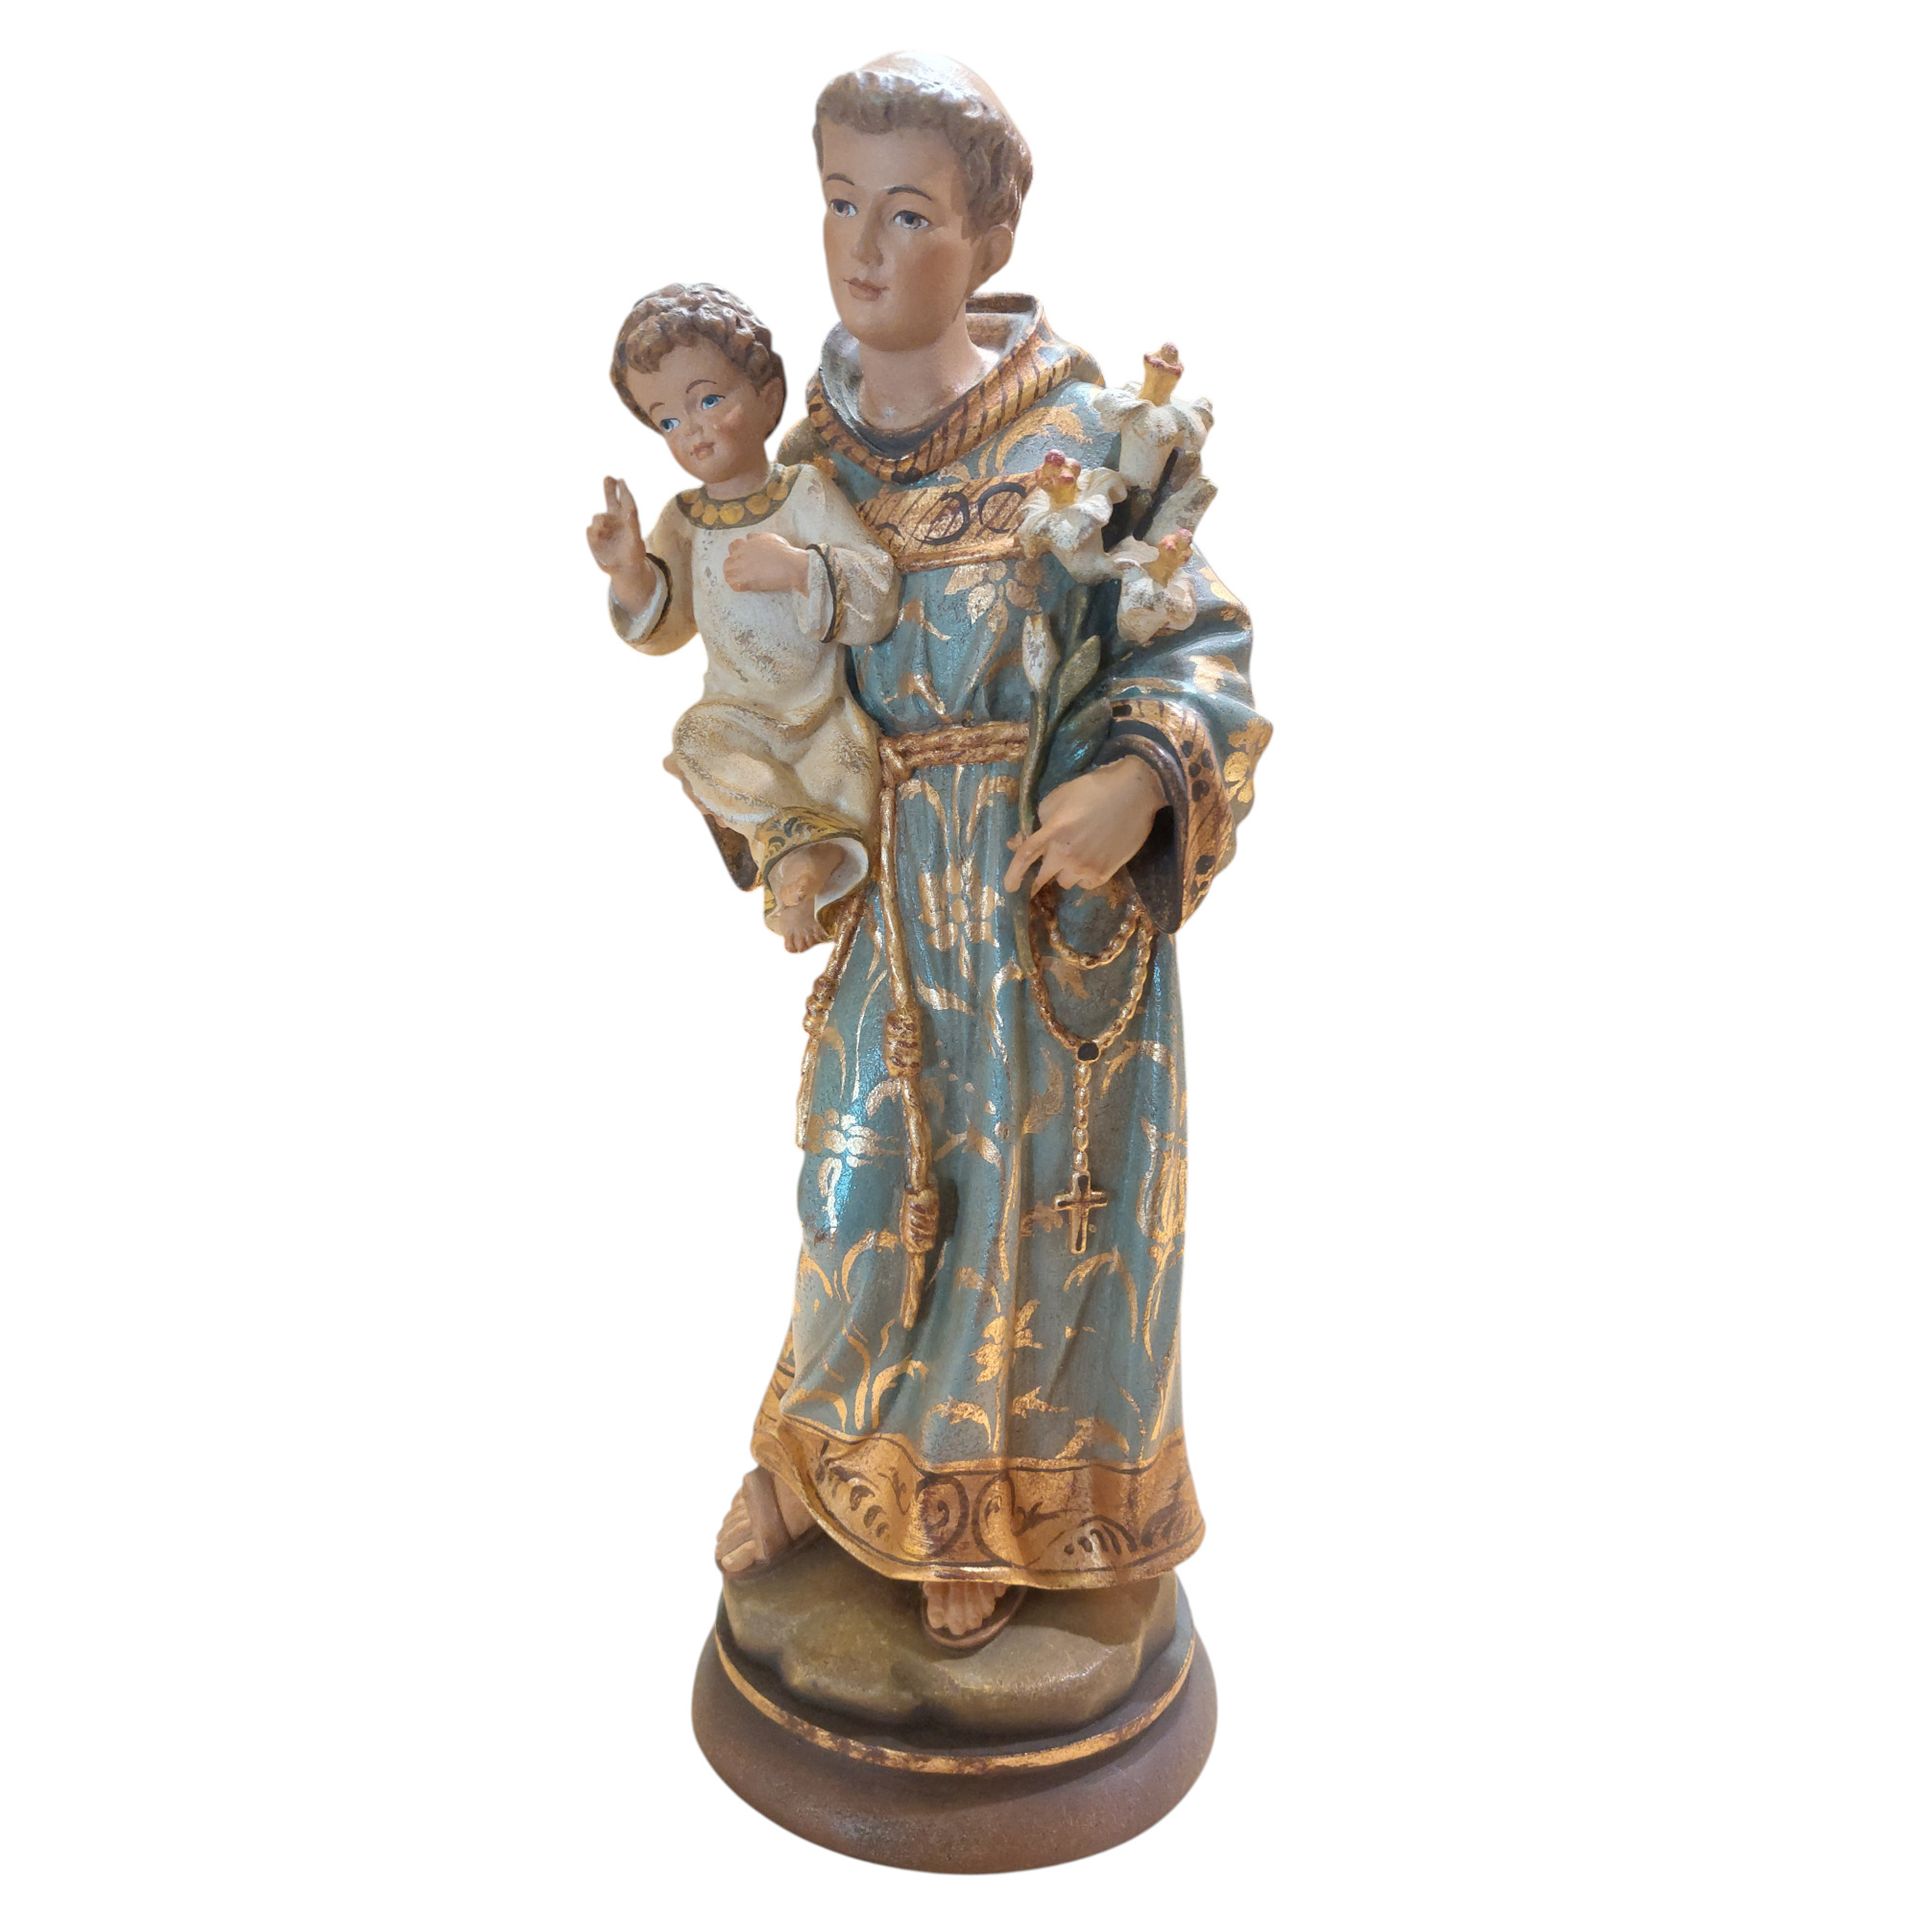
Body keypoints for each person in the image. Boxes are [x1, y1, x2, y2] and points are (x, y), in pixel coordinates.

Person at [706, 54, 1270, 1650]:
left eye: (909, 215)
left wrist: (1140, 784)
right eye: (839, 202)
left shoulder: (1085, 441)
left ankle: (990, 1498)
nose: (862, 247)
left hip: (1045, 905)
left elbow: (1198, 644)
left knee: (1032, 1209)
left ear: (988, 240)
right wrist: (779, 827)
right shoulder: (797, 469)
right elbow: (751, 678)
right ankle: (820, 1453)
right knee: (858, 1193)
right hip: (893, 897)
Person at [586, 284, 900, 951]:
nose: (693, 431)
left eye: (707, 400)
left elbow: (877, 589)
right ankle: (795, 861)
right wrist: (630, 571)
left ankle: (805, 865)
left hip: (821, 711)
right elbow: (666, 627)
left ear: (767, 395)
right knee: (695, 740)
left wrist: (797, 569)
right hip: (738, 717)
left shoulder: (804, 491)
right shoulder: (683, 520)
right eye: (668, 421)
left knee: (851, 767)